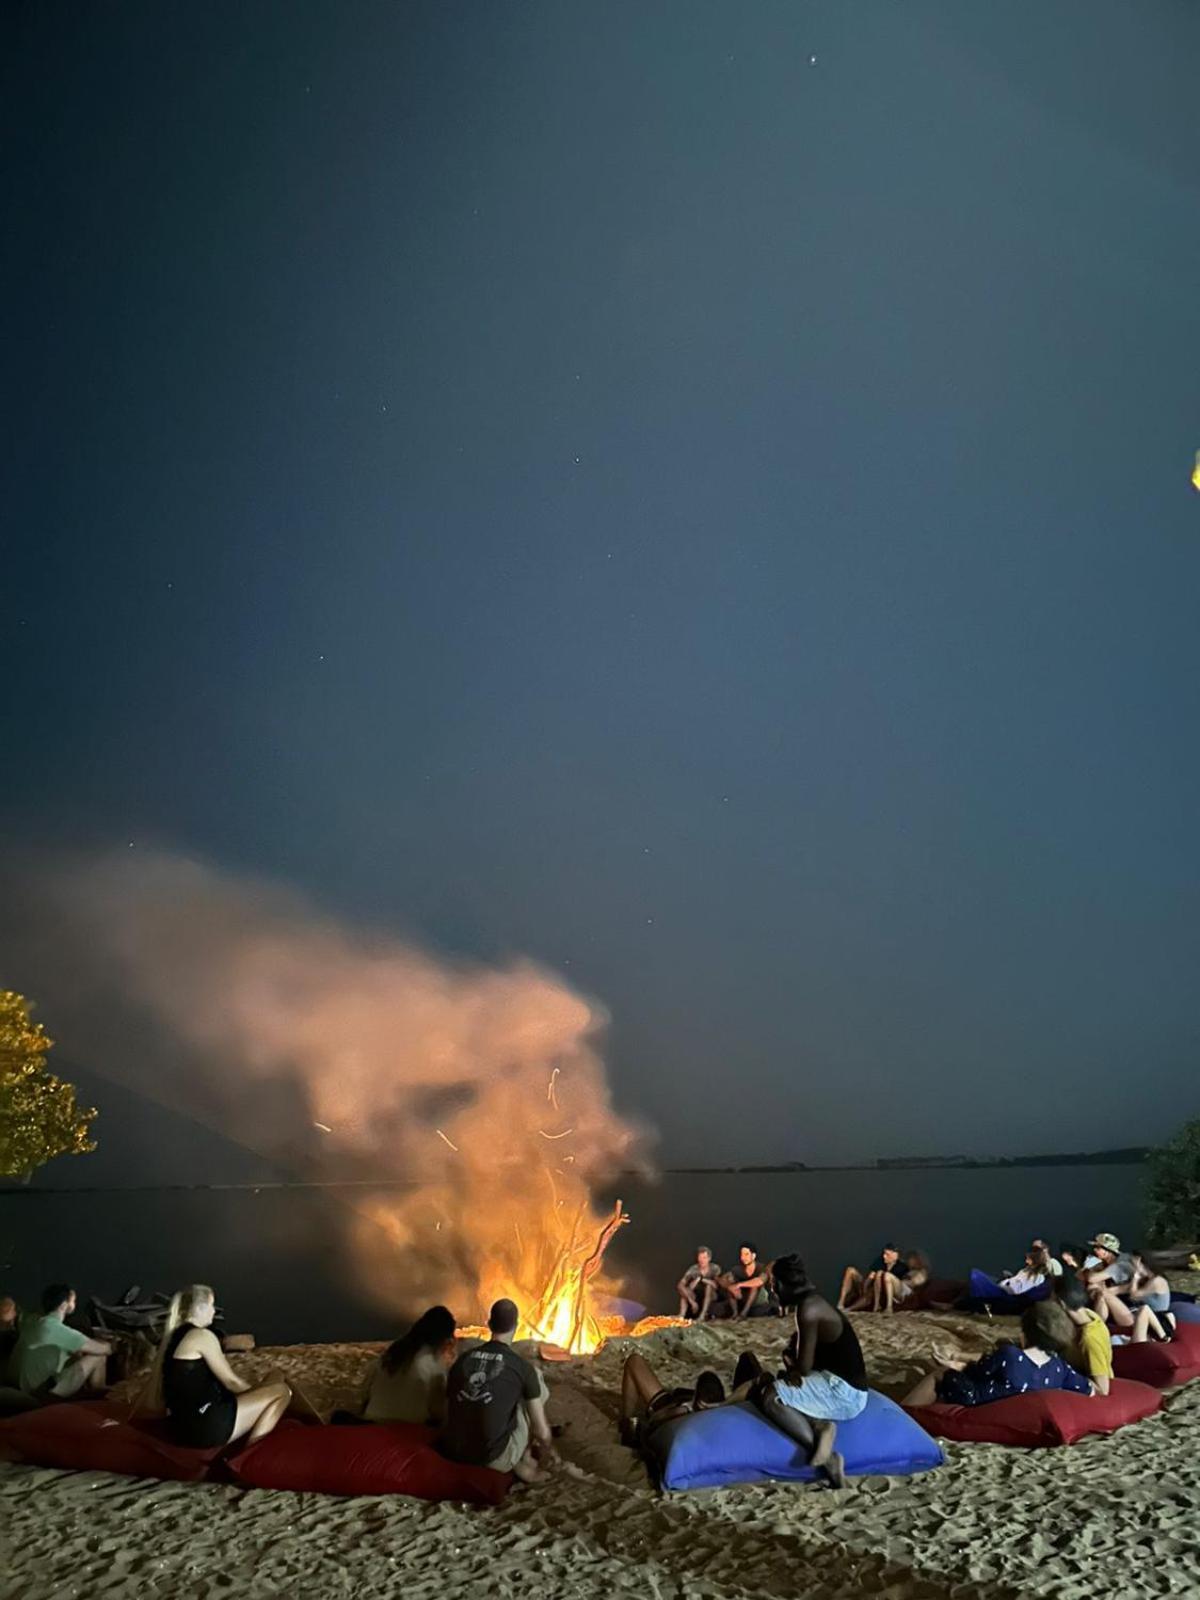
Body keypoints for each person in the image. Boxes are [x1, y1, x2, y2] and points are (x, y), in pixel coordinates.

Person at [142, 1284, 295, 1447]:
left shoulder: (173, 1339)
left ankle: (312, 1419)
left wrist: (261, 1394)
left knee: (277, 1375)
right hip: (205, 1425)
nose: (214, 1311)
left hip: (186, 1424)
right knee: (281, 1391)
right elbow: (231, 1382)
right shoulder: (201, 1335)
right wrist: (259, 1394)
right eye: (211, 1305)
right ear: (200, 1308)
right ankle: (249, 1458)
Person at [439, 1298, 556, 1482]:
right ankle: (523, 1463)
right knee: (527, 1393)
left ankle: (515, 1456)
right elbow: (542, 1433)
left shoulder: (461, 1361)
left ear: (489, 1324)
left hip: (453, 1451)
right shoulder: (522, 1367)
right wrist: (547, 1456)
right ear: (516, 1326)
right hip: (493, 1459)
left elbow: (446, 1413)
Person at [901, 1305, 1094, 1409]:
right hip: (1021, 1405)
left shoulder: (1010, 1355)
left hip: (981, 1402)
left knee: (942, 1374)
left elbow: (977, 1373)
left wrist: (952, 1364)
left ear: (1025, 1334)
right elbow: (1089, 1390)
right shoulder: (1059, 1367)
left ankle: (905, 1412)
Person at [11, 1285, 112, 1400]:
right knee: (99, 1355)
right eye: (73, 1301)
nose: (74, 1303)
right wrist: (112, 1343)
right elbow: (104, 1349)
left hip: (20, 1386)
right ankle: (99, 1394)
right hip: (42, 1394)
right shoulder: (57, 1329)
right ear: (64, 1305)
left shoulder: (33, 1321)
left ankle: (90, 1392)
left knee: (76, 1354)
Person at [363, 1304, 457, 1424]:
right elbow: (439, 1412)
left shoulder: (389, 1355)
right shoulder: (432, 1366)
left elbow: (366, 1394)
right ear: (445, 1340)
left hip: (371, 1425)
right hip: (406, 1430)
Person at [618, 1352, 725, 1446]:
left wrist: (682, 1408)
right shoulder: (726, 1411)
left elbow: (655, 1419)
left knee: (634, 1362)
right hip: (679, 1403)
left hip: (668, 1413)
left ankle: (627, 1424)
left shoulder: (684, 1414)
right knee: (635, 1361)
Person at [1048, 1275, 1113, 1394]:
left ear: (1061, 1303)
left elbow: (1103, 1390)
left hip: (1078, 1389)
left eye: (1051, 1299)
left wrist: (1066, 1373)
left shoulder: (1089, 1339)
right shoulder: (1088, 1314)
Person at [1103, 1253, 1174, 1342]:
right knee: (1104, 1295)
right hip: (1140, 1314)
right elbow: (1119, 1290)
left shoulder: (1157, 1281)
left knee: (1107, 1297)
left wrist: (1135, 1276)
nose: (1133, 1268)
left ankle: (1099, 1325)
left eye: (1135, 1265)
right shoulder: (1144, 1280)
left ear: (1144, 1265)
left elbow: (1134, 1295)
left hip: (1154, 1318)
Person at [837, 1245, 909, 1313]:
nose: (884, 1256)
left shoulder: (901, 1267)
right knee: (850, 1270)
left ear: (895, 1255)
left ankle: (850, 1309)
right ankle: (841, 1303)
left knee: (872, 1290)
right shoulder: (880, 1261)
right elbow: (871, 1275)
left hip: (879, 1292)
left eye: (887, 1254)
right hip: (870, 1286)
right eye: (884, 1254)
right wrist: (866, 1286)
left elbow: (900, 1284)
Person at [1084, 1233, 1136, 1321]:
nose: (1095, 1250)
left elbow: (1091, 1278)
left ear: (1108, 1251)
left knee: (1100, 1293)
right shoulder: (1120, 1258)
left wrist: (1091, 1269)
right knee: (1093, 1288)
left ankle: (1099, 1324)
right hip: (1124, 1298)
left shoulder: (1118, 1265)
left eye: (1098, 1248)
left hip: (1131, 1306)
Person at [719, 1243, 775, 1320]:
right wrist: (730, 1287)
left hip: (759, 1299)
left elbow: (760, 1281)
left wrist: (739, 1285)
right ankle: (735, 1313)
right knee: (731, 1287)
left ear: (753, 1256)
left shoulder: (761, 1268)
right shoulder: (738, 1269)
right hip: (744, 1298)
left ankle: (743, 1313)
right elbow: (722, 1279)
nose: (743, 1257)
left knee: (754, 1286)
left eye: (746, 1254)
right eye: (742, 1254)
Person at [676, 1247, 723, 1322]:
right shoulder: (693, 1269)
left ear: (709, 1258)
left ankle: (703, 1315)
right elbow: (680, 1284)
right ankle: (681, 1315)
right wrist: (691, 1301)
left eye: (704, 1258)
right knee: (685, 1290)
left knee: (709, 1287)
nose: (702, 1260)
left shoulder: (714, 1268)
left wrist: (701, 1279)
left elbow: (716, 1285)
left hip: (712, 1295)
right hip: (697, 1295)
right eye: (700, 1257)